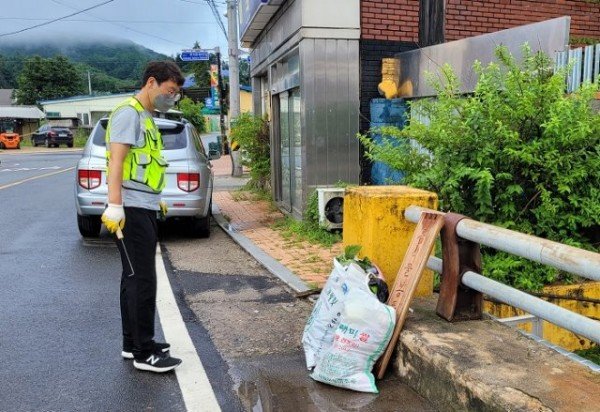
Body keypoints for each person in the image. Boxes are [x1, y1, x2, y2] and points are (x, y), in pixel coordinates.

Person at [101, 61, 184, 373]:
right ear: (152, 83)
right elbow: (117, 162)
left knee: (133, 277)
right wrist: (115, 205)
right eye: (170, 91)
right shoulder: (129, 113)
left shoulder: (146, 117)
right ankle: (144, 353)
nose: (172, 98)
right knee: (142, 279)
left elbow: (145, 165)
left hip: (143, 205)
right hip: (131, 210)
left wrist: (155, 200)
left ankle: (132, 342)